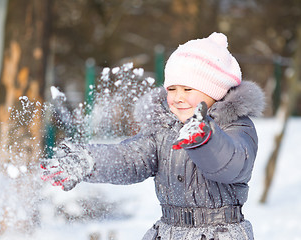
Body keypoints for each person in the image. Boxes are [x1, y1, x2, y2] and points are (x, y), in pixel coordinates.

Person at [41, 32, 265, 240]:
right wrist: (90, 160)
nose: (177, 97)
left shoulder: (236, 127)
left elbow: (232, 163)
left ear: (216, 91)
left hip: (220, 232)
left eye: (187, 90)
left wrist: (204, 138)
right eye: (171, 89)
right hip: (168, 231)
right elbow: (131, 157)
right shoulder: (163, 129)